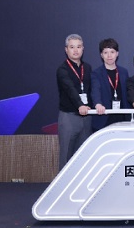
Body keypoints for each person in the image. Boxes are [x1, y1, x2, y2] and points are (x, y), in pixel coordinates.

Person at [56, 34, 92, 170]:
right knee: (66, 157)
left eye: (78, 47)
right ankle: (63, 184)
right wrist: (80, 105)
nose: (76, 50)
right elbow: (70, 89)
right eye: (72, 47)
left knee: (84, 157)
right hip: (69, 117)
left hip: (87, 117)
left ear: (83, 49)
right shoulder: (62, 70)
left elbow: (91, 90)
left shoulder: (87, 68)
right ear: (66, 49)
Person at [91, 38, 129, 132]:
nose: (109, 55)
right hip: (104, 118)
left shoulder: (124, 72)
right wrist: (98, 104)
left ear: (117, 53)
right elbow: (95, 91)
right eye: (105, 52)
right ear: (101, 55)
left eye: (112, 52)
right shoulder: (96, 74)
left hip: (123, 118)